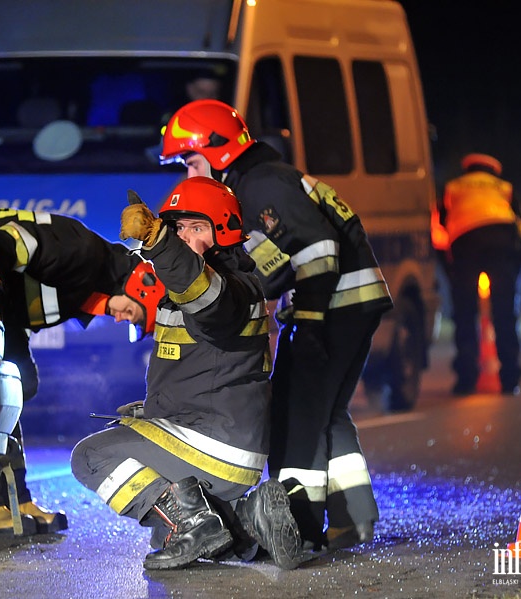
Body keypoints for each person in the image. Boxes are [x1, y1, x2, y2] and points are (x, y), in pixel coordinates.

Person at [158, 99, 394, 552]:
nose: (188, 175)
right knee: (326, 412)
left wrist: (308, 321)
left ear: (217, 151)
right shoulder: (266, 179)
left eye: (190, 162)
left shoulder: (261, 183)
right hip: (350, 304)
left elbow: (319, 249)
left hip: (334, 307)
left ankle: (299, 528)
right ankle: (353, 518)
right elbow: (278, 260)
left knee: (296, 412)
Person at [70, 177, 303, 571]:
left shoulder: (231, 288)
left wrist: (160, 242)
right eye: (178, 229)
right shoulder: (203, 289)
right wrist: (152, 413)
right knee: (166, 535)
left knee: (89, 456)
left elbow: (205, 298)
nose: (184, 238)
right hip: (219, 438)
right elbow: (204, 375)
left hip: (217, 446)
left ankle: (196, 522)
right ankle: (250, 520)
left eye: (197, 228)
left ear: (223, 232)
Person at [0, 208, 165, 537]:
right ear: (144, 288)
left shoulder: (87, 284)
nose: (123, 320)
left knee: (19, 382)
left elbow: (15, 299)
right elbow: (8, 243)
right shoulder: (83, 255)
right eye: (135, 315)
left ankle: (13, 501)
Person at [432, 153, 521, 396]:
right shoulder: (504, 188)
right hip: (503, 244)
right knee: (505, 314)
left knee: (465, 314)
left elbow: (437, 233)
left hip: (465, 245)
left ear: (468, 170)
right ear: (493, 171)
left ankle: (466, 379)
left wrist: (450, 273)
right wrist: (515, 270)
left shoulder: (452, 188)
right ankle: (510, 379)